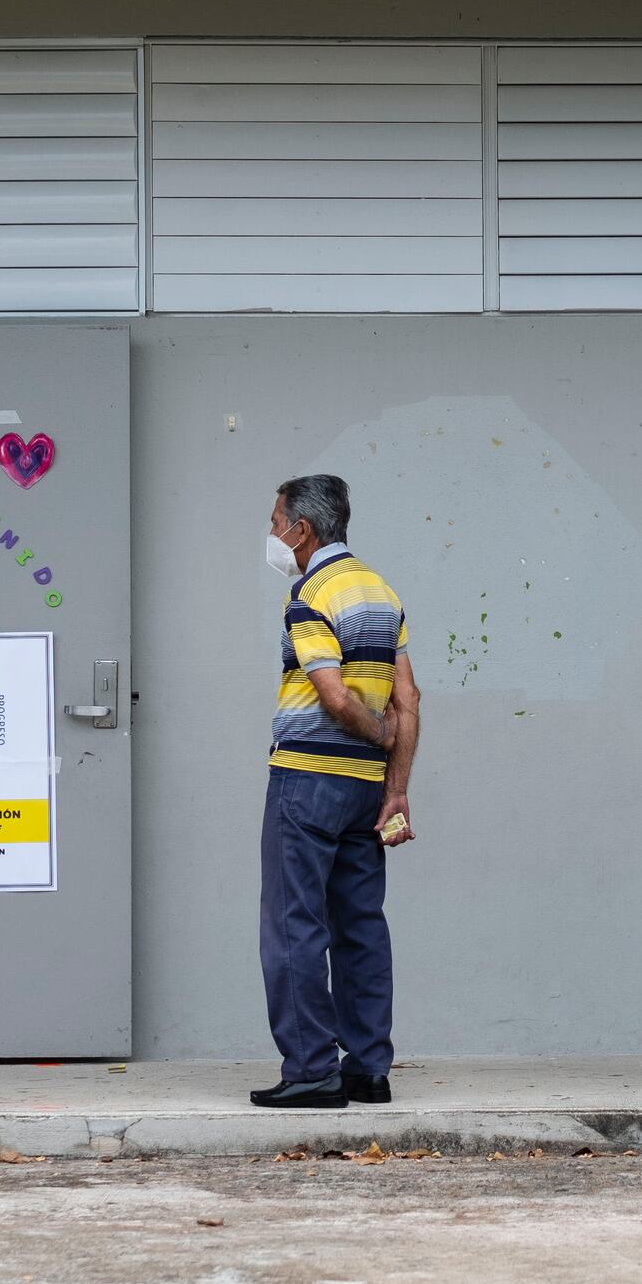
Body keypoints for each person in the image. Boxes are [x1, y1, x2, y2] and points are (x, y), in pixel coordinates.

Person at [251, 473, 420, 1110]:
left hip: (306, 783)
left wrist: (375, 734)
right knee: (361, 925)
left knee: (294, 924)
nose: (271, 535)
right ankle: (368, 1068)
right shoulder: (382, 592)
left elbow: (332, 695)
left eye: (275, 524)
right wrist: (395, 786)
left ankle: (311, 1069)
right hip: (364, 792)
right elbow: (410, 698)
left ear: (304, 530)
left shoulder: (310, 596)